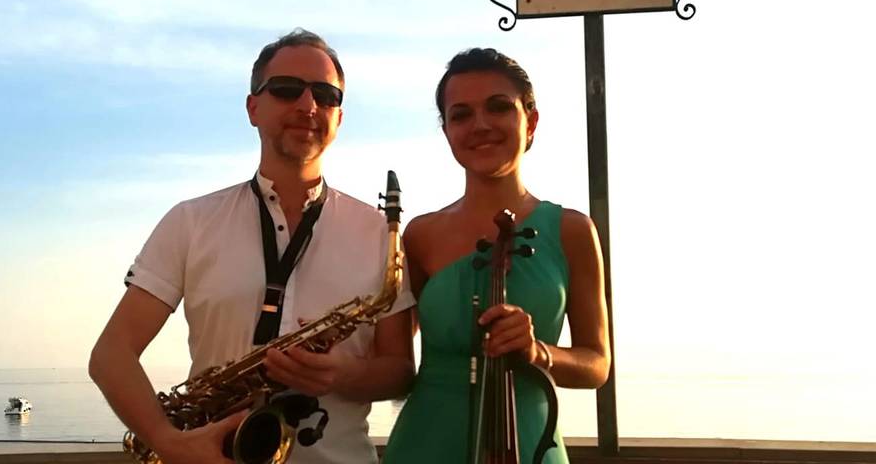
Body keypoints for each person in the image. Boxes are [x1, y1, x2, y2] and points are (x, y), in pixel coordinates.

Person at [88, 29, 415, 464]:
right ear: (253, 108)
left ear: (339, 116)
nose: (307, 105)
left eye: (325, 94)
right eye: (286, 90)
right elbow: (111, 354)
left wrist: (344, 373)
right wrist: (168, 441)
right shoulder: (191, 221)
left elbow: (399, 371)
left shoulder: (379, 233)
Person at [383, 48, 611, 464]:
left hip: (529, 443)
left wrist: (538, 351)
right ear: (447, 131)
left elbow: (596, 364)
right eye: (461, 114)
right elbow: (390, 359)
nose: (480, 125)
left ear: (531, 123)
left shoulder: (573, 230)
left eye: (498, 107)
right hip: (425, 444)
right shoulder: (419, 234)